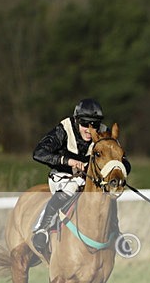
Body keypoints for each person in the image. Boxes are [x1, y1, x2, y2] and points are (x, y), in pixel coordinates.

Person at [31, 98, 130, 257]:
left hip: (90, 178)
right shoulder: (64, 129)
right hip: (63, 175)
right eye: (85, 123)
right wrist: (67, 161)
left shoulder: (105, 134)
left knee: (108, 194)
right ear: (77, 121)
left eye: (94, 124)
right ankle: (42, 229)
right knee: (71, 188)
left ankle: (115, 232)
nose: (89, 129)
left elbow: (124, 162)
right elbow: (39, 153)